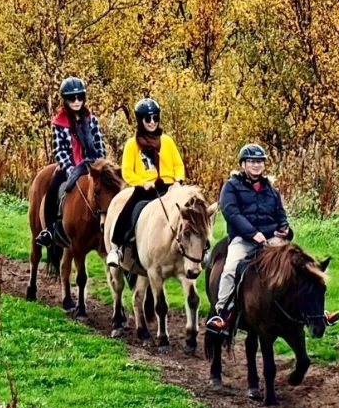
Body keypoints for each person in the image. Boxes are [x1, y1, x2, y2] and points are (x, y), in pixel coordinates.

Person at [205, 144, 292, 333]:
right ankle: (223, 314)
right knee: (229, 268)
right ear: (243, 164)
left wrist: (285, 229)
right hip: (243, 239)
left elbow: (280, 213)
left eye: (260, 161)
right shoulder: (231, 186)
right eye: (252, 161)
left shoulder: (271, 189)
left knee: (296, 265)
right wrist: (253, 233)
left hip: (271, 239)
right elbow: (231, 212)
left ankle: (306, 309)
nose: (256, 165)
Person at [107, 98, 186, 268]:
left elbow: (178, 164)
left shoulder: (168, 141)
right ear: (140, 120)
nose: (152, 122)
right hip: (145, 189)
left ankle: (200, 249)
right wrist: (142, 183)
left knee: (191, 212)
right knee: (127, 212)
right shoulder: (132, 145)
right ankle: (116, 248)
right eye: (148, 119)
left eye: (155, 118)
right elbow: (127, 171)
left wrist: (178, 181)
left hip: (169, 188)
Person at [35, 77, 107, 248]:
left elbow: (99, 145)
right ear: (65, 100)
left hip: (92, 165)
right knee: (53, 188)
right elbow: (59, 150)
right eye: (71, 98)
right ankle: (50, 229)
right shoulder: (59, 123)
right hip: (70, 166)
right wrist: (70, 169)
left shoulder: (92, 120)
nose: (76, 102)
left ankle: (113, 226)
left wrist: (99, 165)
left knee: (111, 187)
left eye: (79, 97)